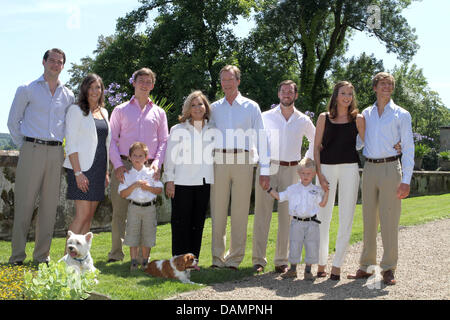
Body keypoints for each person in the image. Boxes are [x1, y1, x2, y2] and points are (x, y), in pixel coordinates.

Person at [7, 48, 75, 265]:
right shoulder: (27, 89)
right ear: (43, 62)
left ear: (63, 66)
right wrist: (27, 146)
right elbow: (13, 122)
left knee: (49, 207)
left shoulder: (68, 95)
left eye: (60, 62)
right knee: (24, 205)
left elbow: (70, 126)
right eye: (52, 60)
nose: (56, 64)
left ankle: (42, 256)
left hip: (56, 152)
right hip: (32, 150)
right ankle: (17, 256)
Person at [348, 72, 414, 285]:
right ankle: (366, 267)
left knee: (389, 220)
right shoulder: (365, 114)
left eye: (390, 84)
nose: (386, 86)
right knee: (368, 220)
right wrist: (359, 129)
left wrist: (407, 179)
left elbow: (409, 148)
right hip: (369, 168)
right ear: (375, 87)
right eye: (382, 83)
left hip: (391, 169)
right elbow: (359, 144)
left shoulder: (401, 114)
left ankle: (388, 269)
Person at [209, 65, 270, 270]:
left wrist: (265, 168)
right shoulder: (214, 107)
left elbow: (262, 138)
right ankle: (217, 259)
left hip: (244, 160)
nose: (226, 83)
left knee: (240, 212)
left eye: (230, 79)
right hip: (219, 160)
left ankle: (234, 259)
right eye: (223, 80)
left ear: (238, 81)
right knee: (217, 211)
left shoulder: (251, 107)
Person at [252, 80, 315, 274]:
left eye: (290, 92)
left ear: (295, 95)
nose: (287, 94)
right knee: (262, 215)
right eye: (283, 91)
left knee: (287, 218)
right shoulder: (265, 117)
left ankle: (281, 260)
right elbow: (256, 142)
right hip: (268, 168)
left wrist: (306, 160)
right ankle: (258, 260)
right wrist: (262, 167)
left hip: (291, 170)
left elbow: (316, 139)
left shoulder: (303, 120)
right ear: (278, 94)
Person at [108, 67, 169, 262]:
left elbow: (164, 141)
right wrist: (117, 165)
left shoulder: (159, 113)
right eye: (140, 80)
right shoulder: (120, 110)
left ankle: (143, 258)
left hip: (149, 168)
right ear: (133, 83)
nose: (144, 84)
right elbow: (111, 140)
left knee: (145, 211)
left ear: (153, 85)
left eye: (148, 81)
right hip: (124, 166)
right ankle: (116, 254)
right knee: (119, 211)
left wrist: (157, 165)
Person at [314, 81, 364, 281]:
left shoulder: (358, 119)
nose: (347, 97)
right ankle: (321, 263)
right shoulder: (323, 118)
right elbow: (316, 147)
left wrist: (395, 144)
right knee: (322, 218)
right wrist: (319, 175)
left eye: (350, 94)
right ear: (335, 96)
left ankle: (337, 265)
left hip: (350, 169)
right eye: (343, 93)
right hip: (325, 170)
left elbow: (370, 143)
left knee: (346, 217)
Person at [164, 91, 215, 260]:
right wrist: (169, 180)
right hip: (181, 182)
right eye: (193, 105)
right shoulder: (177, 129)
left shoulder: (212, 129)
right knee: (180, 223)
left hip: (204, 182)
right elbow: (170, 157)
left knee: (197, 223)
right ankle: (179, 259)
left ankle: (193, 260)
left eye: (200, 104)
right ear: (188, 108)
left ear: (205, 107)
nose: (197, 108)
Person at [64, 74, 111, 236]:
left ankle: (80, 259)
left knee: (89, 216)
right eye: (90, 87)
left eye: (98, 87)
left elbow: (105, 144)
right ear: (84, 89)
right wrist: (78, 173)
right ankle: (66, 261)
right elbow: (71, 144)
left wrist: (106, 172)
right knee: (82, 215)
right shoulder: (75, 110)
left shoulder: (104, 112)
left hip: (98, 170)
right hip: (81, 169)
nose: (94, 91)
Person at [267, 158, 329, 280]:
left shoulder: (316, 190)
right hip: (296, 222)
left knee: (311, 245)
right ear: (298, 173)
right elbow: (280, 197)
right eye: (303, 173)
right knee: (295, 245)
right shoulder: (292, 189)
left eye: (308, 173)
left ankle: (308, 271)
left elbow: (322, 204)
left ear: (314, 174)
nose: (305, 176)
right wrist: (268, 189)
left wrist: (327, 192)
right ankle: (293, 269)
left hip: (312, 223)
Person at [118, 142, 163, 271]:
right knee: (133, 234)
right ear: (130, 157)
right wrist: (135, 185)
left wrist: (147, 187)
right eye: (135, 156)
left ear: (146, 157)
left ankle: (145, 261)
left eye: (141, 156)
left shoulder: (151, 173)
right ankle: (133, 262)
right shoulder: (127, 175)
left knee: (147, 234)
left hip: (149, 208)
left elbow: (159, 190)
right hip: (134, 208)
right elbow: (122, 193)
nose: (137, 159)